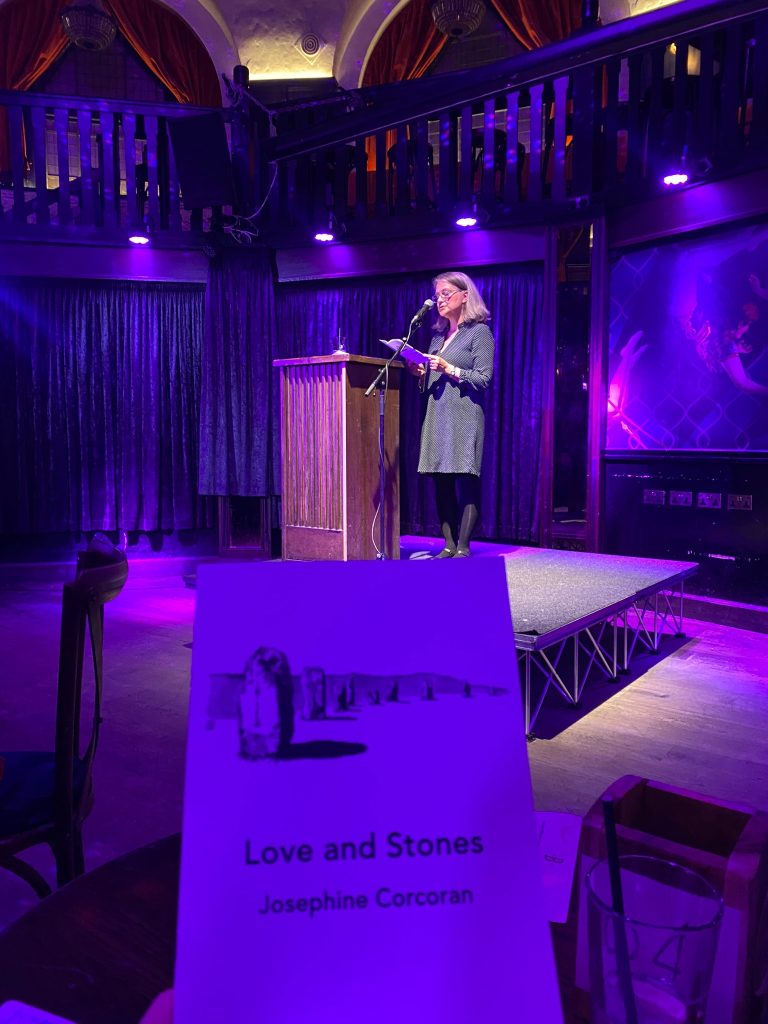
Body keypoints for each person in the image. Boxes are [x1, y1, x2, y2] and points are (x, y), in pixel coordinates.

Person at [411, 271, 494, 557]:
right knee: (440, 479)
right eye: (438, 296)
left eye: (446, 293)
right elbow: (428, 385)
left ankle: (463, 546)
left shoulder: (479, 332)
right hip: (437, 412)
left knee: (465, 477)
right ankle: (448, 545)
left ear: (465, 296)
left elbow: (483, 379)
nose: (440, 300)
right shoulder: (437, 338)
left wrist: (449, 369)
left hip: (465, 413)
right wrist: (420, 374)